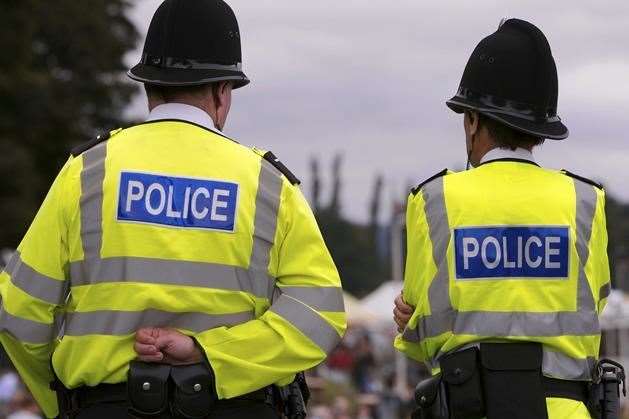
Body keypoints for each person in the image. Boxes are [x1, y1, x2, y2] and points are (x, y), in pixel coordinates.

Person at [0, 0, 346, 418]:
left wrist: (63, 403)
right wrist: (211, 354)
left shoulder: (87, 171)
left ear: (148, 87)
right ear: (223, 91)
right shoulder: (268, 184)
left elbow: (19, 313)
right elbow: (320, 316)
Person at [393, 19, 613, 419]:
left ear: (473, 120)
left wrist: (411, 321)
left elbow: (417, 328)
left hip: (469, 407)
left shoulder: (433, 200)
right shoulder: (587, 202)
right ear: (540, 131)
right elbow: (593, 302)